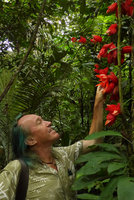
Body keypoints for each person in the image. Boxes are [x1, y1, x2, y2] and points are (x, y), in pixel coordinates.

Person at [0, 86, 104, 200]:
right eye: (39, 122)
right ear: (30, 140)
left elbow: (94, 141)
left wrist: (98, 103)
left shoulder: (63, 155)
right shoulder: (16, 169)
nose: (48, 123)